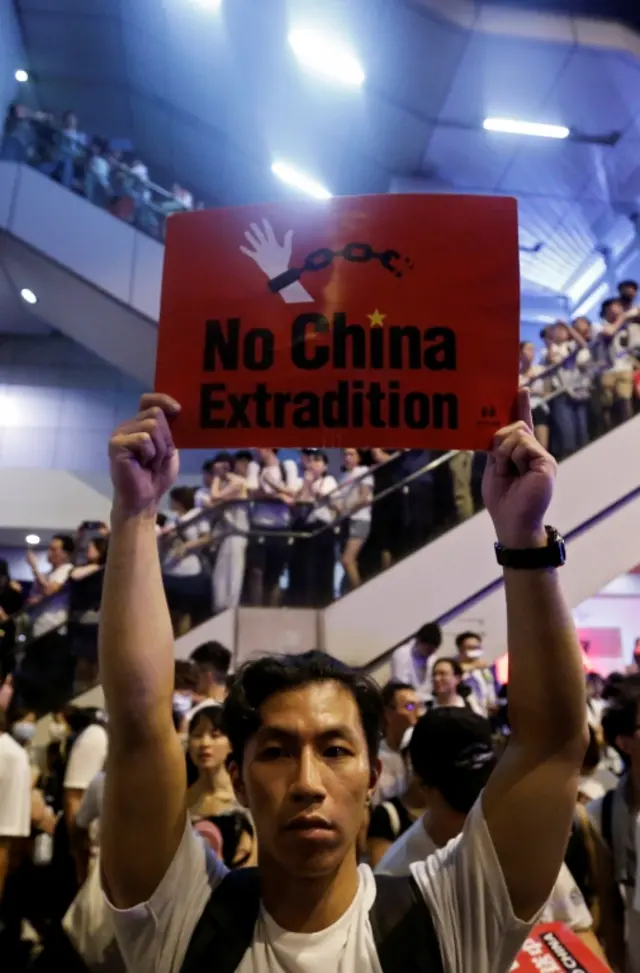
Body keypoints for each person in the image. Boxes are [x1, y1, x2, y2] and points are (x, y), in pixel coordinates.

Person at [97, 389, 587, 973]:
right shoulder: (182, 916)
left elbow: (552, 746)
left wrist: (526, 541)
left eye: (335, 749)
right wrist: (134, 516)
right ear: (238, 777)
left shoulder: (449, 916)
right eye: (276, 751)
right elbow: (138, 723)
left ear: (375, 774)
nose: (307, 782)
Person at [376, 708, 606, 963]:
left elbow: (576, 927)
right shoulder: (396, 880)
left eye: (487, 794)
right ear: (423, 787)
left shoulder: (521, 835)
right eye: (465, 800)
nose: (480, 815)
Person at [185, 704, 237, 820]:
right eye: (197, 735)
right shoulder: (180, 802)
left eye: (215, 735)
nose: (204, 743)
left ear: (231, 744)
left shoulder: (245, 797)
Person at [335, 448, 374, 591]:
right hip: (346, 521)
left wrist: (347, 509)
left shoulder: (363, 471)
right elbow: (339, 501)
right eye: (345, 454)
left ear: (358, 457)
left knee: (347, 559)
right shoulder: (342, 477)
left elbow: (364, 497)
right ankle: (348, 590)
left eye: (351, 454)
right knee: (347, 561)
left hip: (360, 519)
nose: (347, 458)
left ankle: (359, 592)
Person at [376, 682, 421, 803]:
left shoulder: (417, 748)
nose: (419, 713)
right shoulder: (376, 758)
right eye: (410, 707)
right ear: (387, 713)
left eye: (419, 706)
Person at [389, 621, 442, 700]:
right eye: (427, 649)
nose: (428, 654)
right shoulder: (402, 654)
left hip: (426, 701)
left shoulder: (432, 658)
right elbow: (400, 687)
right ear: (418, 641)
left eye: (432, 650)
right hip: (405, 701)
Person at [455, 631, 497, 718]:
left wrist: (492, 703)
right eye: (470, 648)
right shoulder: (454, 668)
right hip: (462, 716)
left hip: (482, 716)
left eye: (477, 647)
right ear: (460, 649)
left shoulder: (484, 669)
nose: (475, 651)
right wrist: (473, 666)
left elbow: (489, 686)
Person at [519, 340, 549, 448]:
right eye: (528, 349)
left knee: (542, 445)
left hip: (539, 408)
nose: (531, 352)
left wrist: (535, 391)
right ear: (520, 353)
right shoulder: (517, 376)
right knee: (529, 446)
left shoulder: (540, 369)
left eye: (533, 349)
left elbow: (548, 391)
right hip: (524, 411)